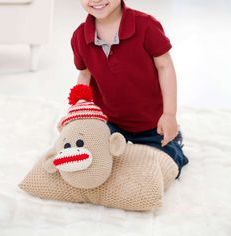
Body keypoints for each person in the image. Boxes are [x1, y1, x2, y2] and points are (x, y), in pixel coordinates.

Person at [70, 0, 189, 178]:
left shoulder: (146, 26)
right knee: (88, 157)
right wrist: (77, 112)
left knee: (164, 162)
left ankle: (174, 140)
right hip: (109, 122)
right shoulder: (80, 36)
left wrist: (169, 114)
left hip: (151, 124)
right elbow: (85, 75)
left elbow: (165, 67)